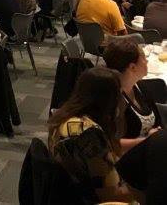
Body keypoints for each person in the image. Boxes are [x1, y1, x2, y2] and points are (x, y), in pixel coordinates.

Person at [48, 67, 138, 203]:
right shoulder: (89, 136)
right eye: (120, 95)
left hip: (69, 193)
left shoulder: (66, 117)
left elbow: (105, 152)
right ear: (110, 100)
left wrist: (144, 142)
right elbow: (111, 196)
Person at [102, 37, 161, 153]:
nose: (147, 61)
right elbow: (108, 144)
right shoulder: (110, 98)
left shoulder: (140, 86)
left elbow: (158, 121)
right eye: (144, 58)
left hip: (148, 152)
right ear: (132, 67)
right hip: (127, 161)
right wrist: (146, 141)